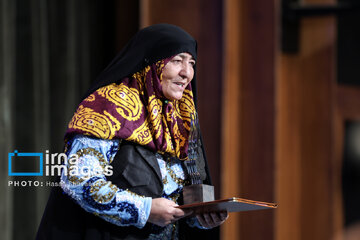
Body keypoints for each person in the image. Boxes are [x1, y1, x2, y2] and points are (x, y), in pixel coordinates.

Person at [36, 23, 228, 240]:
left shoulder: (179, 116)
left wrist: (200, 215)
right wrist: (145, 210)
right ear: (152, 63)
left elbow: (176, 195)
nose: (187, 73)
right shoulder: (108, 105)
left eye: (191, 63)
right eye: (177, 60)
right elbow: (78, 181)